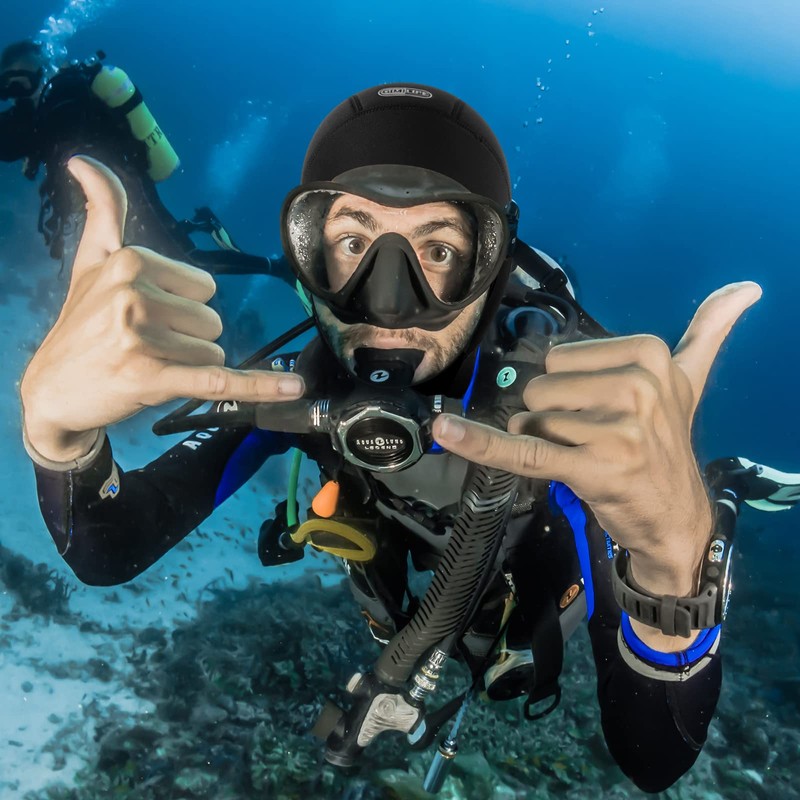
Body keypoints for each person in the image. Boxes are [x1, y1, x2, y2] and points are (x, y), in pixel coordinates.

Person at [18, 82, 782, 793]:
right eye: (353, 243)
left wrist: (676, 561)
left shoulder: (565, 414)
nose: (388, 302)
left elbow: (654, 755)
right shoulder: (297, 379)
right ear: (306, 254)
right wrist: (59, 437)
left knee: (675, 510)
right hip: (412, 598)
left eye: (440, 251)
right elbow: (109, 545)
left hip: (528, 603)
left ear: (493, 264)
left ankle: (716, 492)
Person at [0, 38, 289, 280]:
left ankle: (276, 267)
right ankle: (197, 226)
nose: (17, 88)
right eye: (9, 81)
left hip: (127, 189)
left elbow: (37, 136)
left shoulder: (63, 94)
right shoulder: (50, 104)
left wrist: (31, 139)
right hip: (115, 192)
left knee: (188, 262)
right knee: (146, 250)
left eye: (23, 73)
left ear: (41, 66)